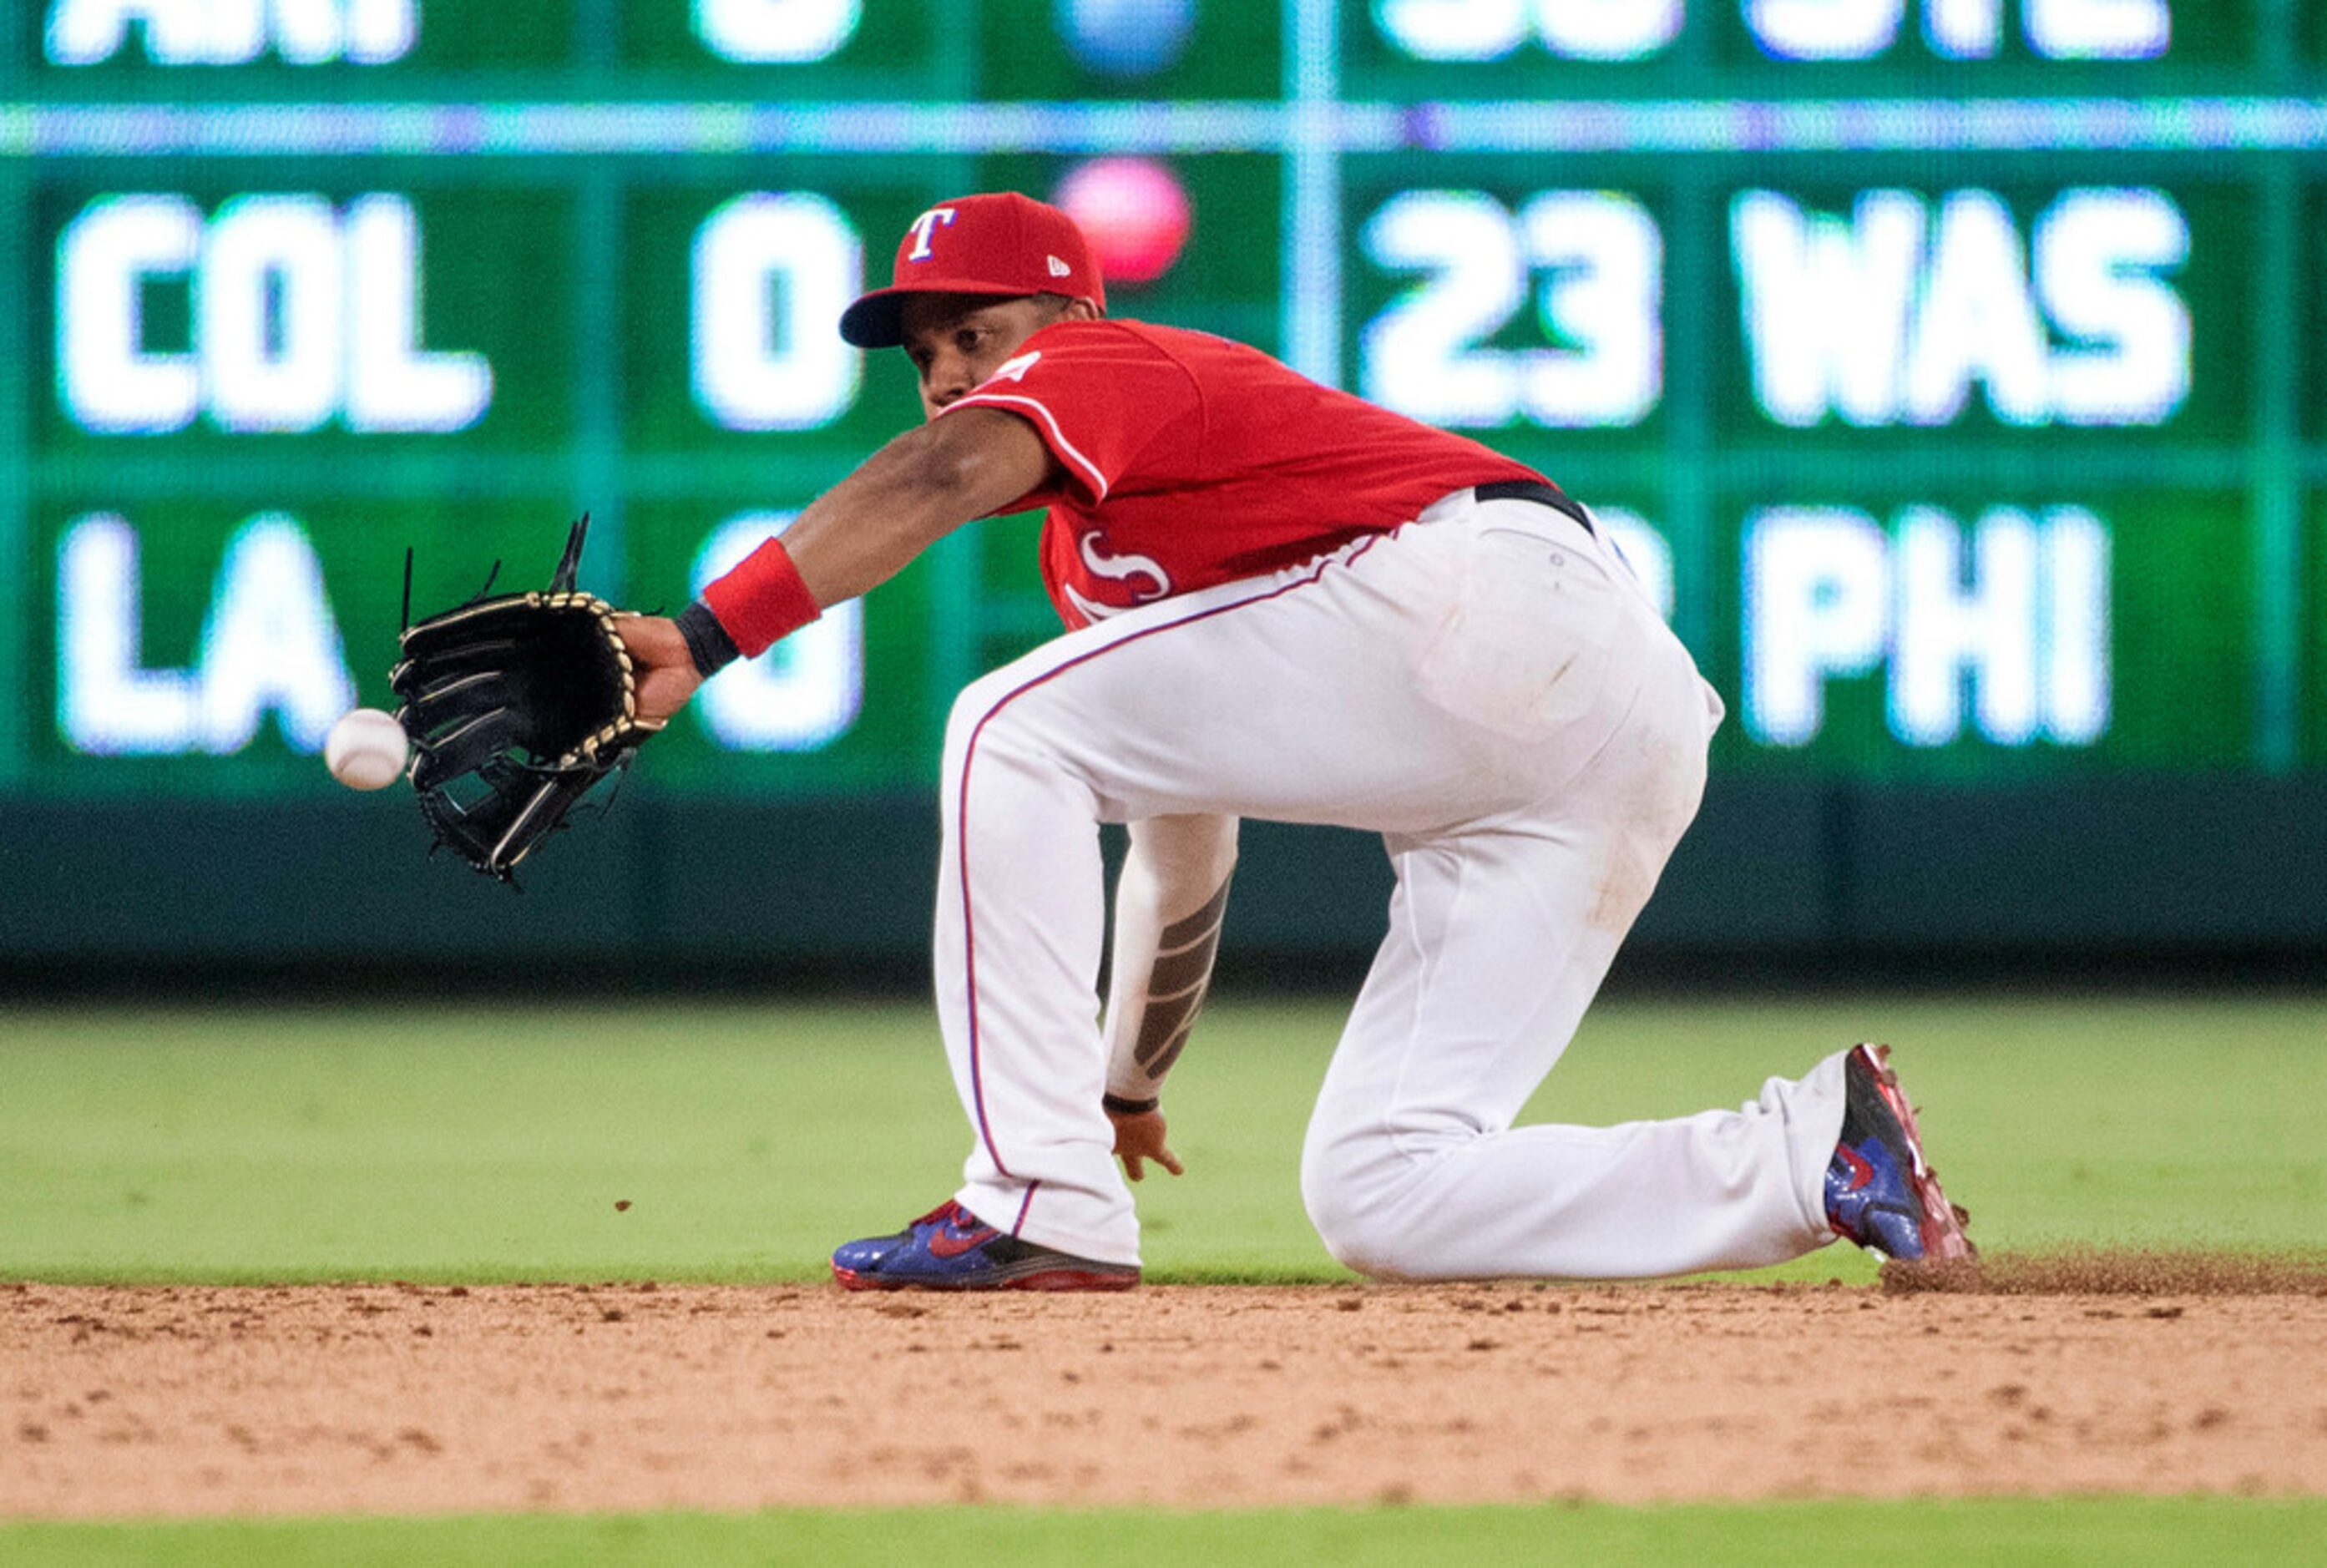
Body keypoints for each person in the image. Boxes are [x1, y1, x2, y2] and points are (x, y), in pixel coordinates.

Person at [619, 192, 1974, 1290]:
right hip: (1608, 731)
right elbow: (1184, 836)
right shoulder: (1095, 570)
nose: (946, 378)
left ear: (1065, 315)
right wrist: (1123, 1083)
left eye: (973, 334)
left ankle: (1029, 1198)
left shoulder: (1103, 362)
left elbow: (938, 475)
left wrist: (706, 635)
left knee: (998, 723)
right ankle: (1818, 1158)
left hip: (1481, 587)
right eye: (924, 357)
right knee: (1384, 1187)